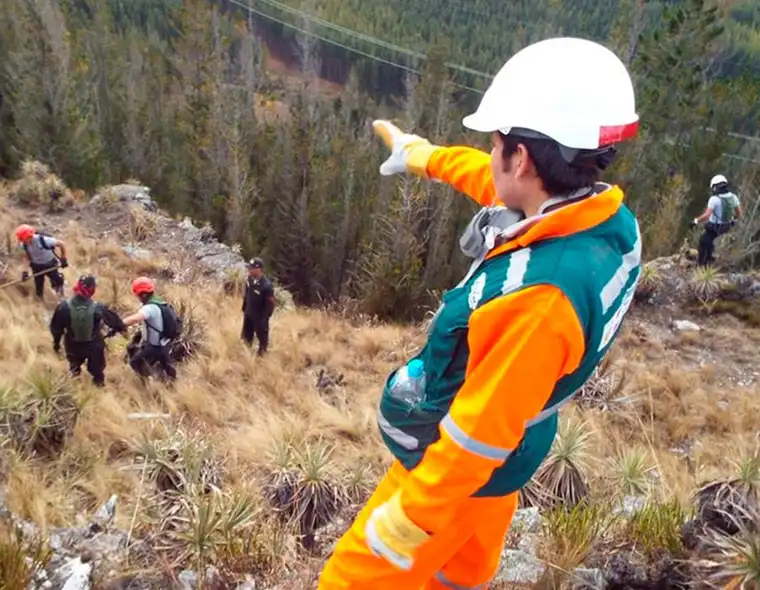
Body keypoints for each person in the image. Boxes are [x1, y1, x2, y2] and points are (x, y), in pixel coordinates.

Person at [318, 37, 642, 590]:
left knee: (349, 582)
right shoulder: (601, 220)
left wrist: (402, 525)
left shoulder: (539, 301)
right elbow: (497, 187)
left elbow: (474, 439)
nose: (490, 156)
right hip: (509, 465)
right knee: (458, 577)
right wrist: (424, 157)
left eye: (496, 145)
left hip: (456, 482)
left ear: (520, 157)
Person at [49, 275, 126, 386]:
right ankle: (99, 388)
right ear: (92, 290)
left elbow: (56, 329)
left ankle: (75, 386)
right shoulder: (98, 307)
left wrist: (56, 344)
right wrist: (120, 329)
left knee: (74, 368)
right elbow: (116, 322)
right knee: (97, 372)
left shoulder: (63, 307)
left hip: (72, 345)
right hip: (94, 346)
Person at [122, 277, 178, 382]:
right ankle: (174, 386)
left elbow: (136, 318)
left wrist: (119, 323)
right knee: (168, 368)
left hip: (154, 346)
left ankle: (147, 382)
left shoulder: (149, 308)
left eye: (137, 295)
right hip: (165, 344)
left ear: (142, 294)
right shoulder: (160, 302)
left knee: (135, 362)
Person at [691, 174, 742, 267]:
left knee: (703, 242)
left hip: (715, 227)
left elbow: (707, 215)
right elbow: (739, 213)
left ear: (715, 187)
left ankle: (701, 264)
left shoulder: (714, 199)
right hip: (726, 226)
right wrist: (733, 221)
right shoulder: (733, 197)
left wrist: (695, 221)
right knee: (709, 242)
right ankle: (709, 259)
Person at [16, 224, 68, 300]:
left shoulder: (43, 240)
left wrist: (63, 259)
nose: (23, 241)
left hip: (50, 264)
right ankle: (39, 302)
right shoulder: (24, 245)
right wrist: (25, 272)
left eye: (24, 239)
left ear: (29, 236)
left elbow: (61, 244)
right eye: (22, 240)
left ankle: (61, 298)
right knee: (39, 287)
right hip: (36, 267)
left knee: (57, 282)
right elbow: (27, 258)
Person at [241, 257, 275, 355]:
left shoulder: (266, 286)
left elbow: (270, 304)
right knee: (246, 338)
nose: (249, 270)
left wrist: (265, 318)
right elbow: (247, 295)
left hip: (260, 317)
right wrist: (244, 308)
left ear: (258, 269)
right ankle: (246, 356)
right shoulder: (249, 280)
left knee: (262, 340)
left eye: (251, 268)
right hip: (249, 314)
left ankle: (261, 358)